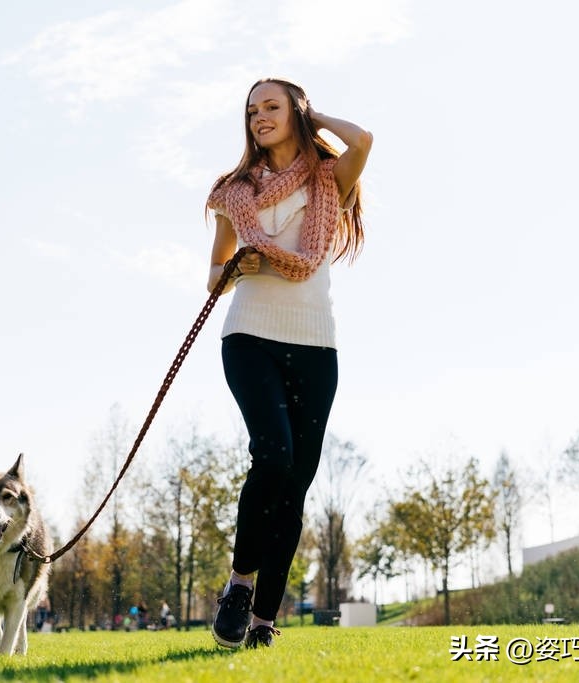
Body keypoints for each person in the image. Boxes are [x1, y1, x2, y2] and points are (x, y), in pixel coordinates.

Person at [205, 78, 372, 650]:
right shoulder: (235, 192)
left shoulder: (331, 180)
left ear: (294, 111)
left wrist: (316, 116)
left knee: (295, 484)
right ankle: (239, 584)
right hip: (250, 336)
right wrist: (238, 268)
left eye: (271, 106)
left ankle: (262, 620)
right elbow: (214, 277)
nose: (258, 116)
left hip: (315, 345)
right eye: (251, 109)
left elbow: (364, 140)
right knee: (272, 457)